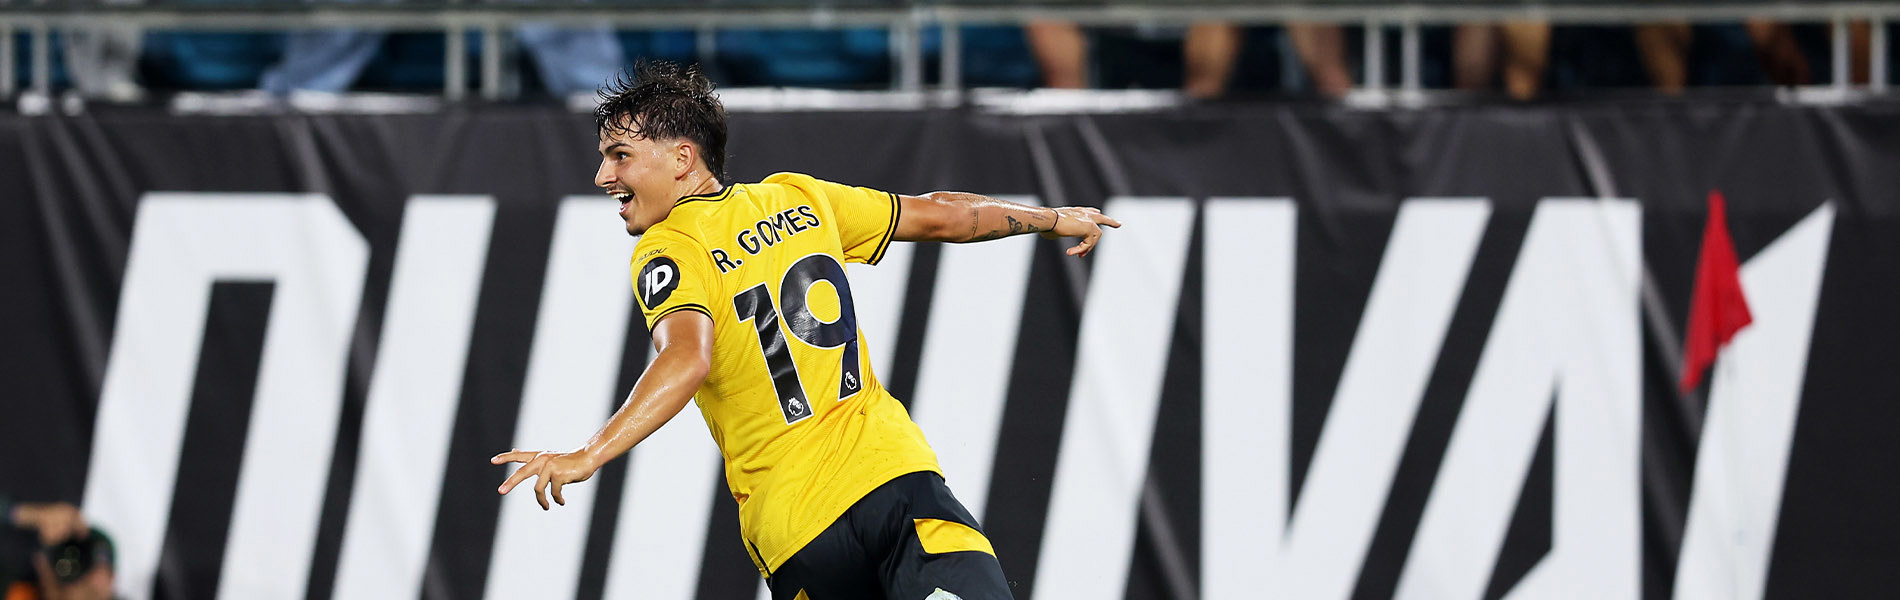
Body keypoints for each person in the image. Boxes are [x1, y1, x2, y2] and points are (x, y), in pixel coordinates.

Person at [490, 60, 1119, 599]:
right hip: (894, 487)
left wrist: (588, 454)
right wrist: (1049, 217)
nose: (603, 176)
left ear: (682, 158)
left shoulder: (669, 247)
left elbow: (686, 357)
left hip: (797, 533)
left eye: (619, 156)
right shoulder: (798, 200)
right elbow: (938, 215)